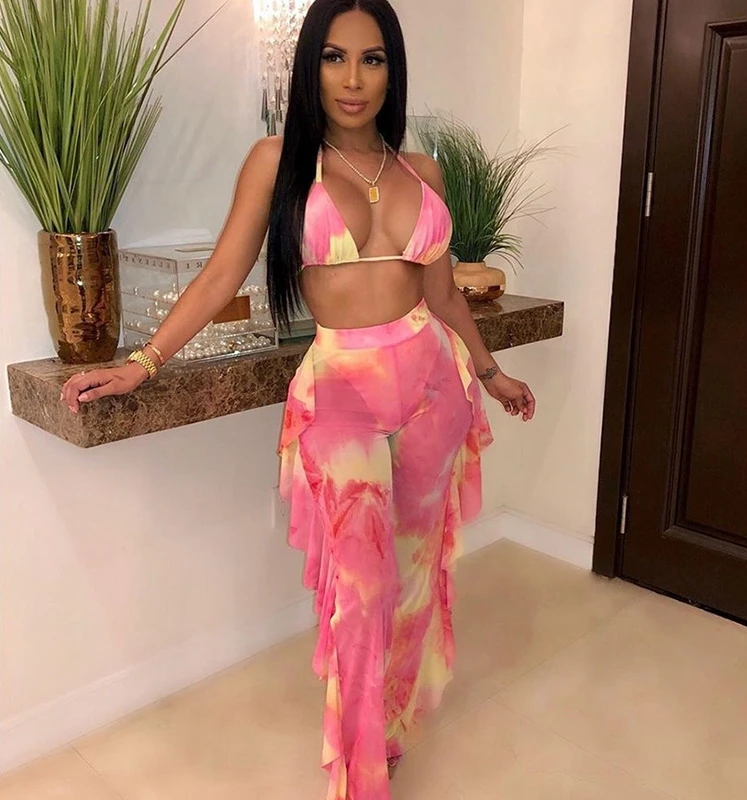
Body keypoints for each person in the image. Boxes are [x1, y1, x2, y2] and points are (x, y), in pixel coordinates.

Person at [61, 0, 535, 796]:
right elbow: (221, 275)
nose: (353, 79)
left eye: (372, 59)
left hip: (432, 383)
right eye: (334, 57)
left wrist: (490, 373)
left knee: (416, 573)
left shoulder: (422, 173)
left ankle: (386, 727)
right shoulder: (279, 162)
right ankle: (356, 775)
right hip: (341, 390)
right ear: (309, 65)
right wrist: (142, 362)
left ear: (392, 70)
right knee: (361, 591)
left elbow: (444, 297)